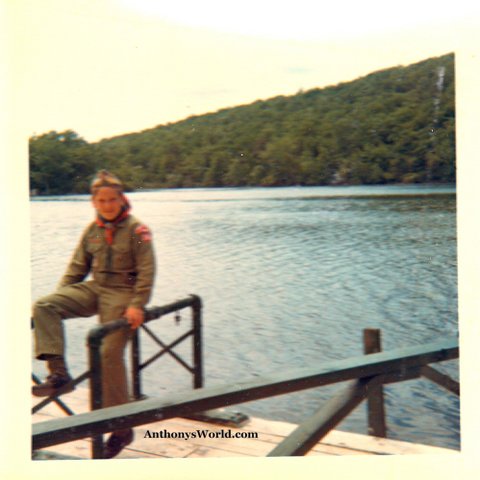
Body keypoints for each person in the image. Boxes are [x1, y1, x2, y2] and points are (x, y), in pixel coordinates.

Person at [32, 170, 156, 458]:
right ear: (94, 202)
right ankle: (59, 375)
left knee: (109, 355)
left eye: (112, 199)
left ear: (122, 199)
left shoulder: (138, 230)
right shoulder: (92, 230)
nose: (108, 205)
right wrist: (61, 297)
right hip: (96, 288)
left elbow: (147, 272)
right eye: (102, 200)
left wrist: (138, 304)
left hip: (123, 294)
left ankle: (122, 428)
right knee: (43, 306)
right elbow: (76, 269)